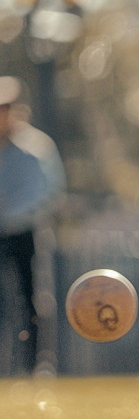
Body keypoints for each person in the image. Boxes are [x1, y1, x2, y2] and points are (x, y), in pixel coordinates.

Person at [0, 76, 65, 376]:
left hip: (25, 233)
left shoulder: (35, 148)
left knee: (32, 301)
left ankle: (36, 365)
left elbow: (47, 192)